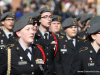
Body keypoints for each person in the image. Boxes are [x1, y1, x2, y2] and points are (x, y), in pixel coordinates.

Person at [36, 7, 58, 75]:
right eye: (45, 17)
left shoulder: (54, 37)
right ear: (39, 19)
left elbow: (57, 60)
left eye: (50, 17)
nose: (49, 19)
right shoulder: (34, 37)